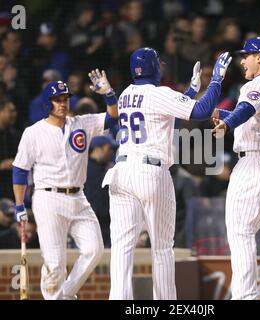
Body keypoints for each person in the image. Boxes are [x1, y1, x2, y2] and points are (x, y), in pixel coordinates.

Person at [97, 47, 231, 299]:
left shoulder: (126, 93)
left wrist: (190, 91)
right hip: (150, 172)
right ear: (153, 67)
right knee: (161, 248)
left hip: (122, 172)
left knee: (122, 249)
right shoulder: (158, 93)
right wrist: (216, 79)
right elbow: (201, 112)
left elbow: (165, 118)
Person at [12, 75, 118, 299]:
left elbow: (111, 118)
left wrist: (109, 94)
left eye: (65, 98)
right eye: (57, 99)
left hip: (78, 197)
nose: (62, 103)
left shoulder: (81, 123)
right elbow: (20, 171)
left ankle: (65, 294)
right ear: (47, 103)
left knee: (95, 249)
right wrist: (20, 205)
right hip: (48, 199)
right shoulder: (33, 132)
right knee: (55, 263)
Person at [212, 37, 260, 299]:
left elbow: (246, 109)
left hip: (254, 165)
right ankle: (244, 294)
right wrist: (223, 116)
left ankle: (245, 296)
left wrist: (227, 124)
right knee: (244, 233)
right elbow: (254, 116)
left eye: (247, 55)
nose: (242, 60)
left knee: (240, 232)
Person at [84, 135, 118, 248]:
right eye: (109, 149)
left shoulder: (105, 168)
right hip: (91, 223)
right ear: (97, 149)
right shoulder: (86, 169)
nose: (112, 153)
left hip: (104, 224)